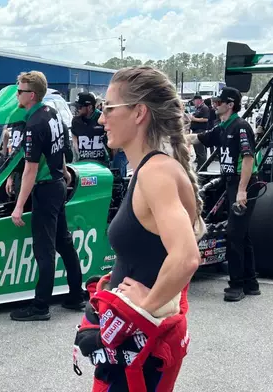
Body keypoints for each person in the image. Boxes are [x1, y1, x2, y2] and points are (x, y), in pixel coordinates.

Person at [74, 66, 204, 391]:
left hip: (141, 350)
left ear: (139, 113)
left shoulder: (156, 173)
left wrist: (141, 311)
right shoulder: (150, 169)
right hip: (133, 350)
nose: (101, 119)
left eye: (109, 108)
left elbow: (186, 257)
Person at [9, 71, 85, 321]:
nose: (16, 95)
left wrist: (19, 206)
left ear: (31, 95)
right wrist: (63, 172)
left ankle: (41, 306)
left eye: (19, 91)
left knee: (45, 249)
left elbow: (30, 169)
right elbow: (59, 149)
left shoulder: (34, 124)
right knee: (64, 242)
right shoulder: (52, 113)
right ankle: (76, 296)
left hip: (45, 187)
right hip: (56, 184)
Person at [186, 87, 261, 302]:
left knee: (234, 234)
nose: (215, 104)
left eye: (219, 101)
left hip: (243, 184)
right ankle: (251, 283)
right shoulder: (222, 128)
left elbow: (248, 159)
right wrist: (175, 137)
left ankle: (236, 285)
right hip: (232, 184)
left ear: (230, 104)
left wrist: (241, 191)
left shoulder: (241, 126)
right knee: (242, 234)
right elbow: (199, 138)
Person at [71, 92, 109, 165]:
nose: (77, 109)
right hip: (83, 163)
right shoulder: (76, 121)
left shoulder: (102, 118)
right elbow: (74, 138)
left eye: (79, 107)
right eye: (76, 107)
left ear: (89, 107)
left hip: (102, 164)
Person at [188, 95, 210, 169]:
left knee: (201, 150)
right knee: (197, 150)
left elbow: (206, 119)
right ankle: (200, 165)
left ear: (199, 100)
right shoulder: (198, 108)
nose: (194, 102)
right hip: (195, 130)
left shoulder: (204, 108)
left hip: (200, 130)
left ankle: (202, 167)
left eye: (194, 101)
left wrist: (194, 119)